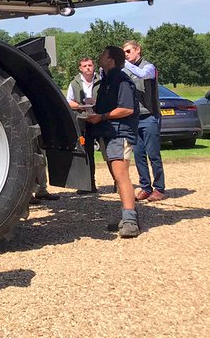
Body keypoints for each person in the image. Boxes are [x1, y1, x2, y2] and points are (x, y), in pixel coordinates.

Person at [85, 46, 140, 238]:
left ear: (111, 60)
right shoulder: (108, 80)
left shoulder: (121, 81)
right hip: (109, 132)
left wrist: (101, 117)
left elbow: (127, 109)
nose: (100, 57)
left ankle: (131, 222)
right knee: (116, 176)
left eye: (103, 55)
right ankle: (127, 217)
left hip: (119, 133)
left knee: (121, 175)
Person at [124, 39, 165, 201]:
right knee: (138, 154)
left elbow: (141, 74)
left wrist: (124, 64)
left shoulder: (149, 67)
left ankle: (160, 188)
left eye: (128, 51)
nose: (126, 55)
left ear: (137, 50)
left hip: (149, 116)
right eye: (124, 53)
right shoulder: (126, 69)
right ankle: (145, 187)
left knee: (153, 154)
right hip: (134, 118)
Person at [67, 56, 99, 174]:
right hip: (83, 120)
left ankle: (118, 183)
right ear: (80, 68)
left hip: (100, 118)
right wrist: (80, 106)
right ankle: (90, 183)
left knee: (108, 152)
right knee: (86, 151)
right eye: (85, 66)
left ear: (93, 66)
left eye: (90, 65)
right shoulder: (74, 83)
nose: (88, 68)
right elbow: (69, 102)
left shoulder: (101, 80)